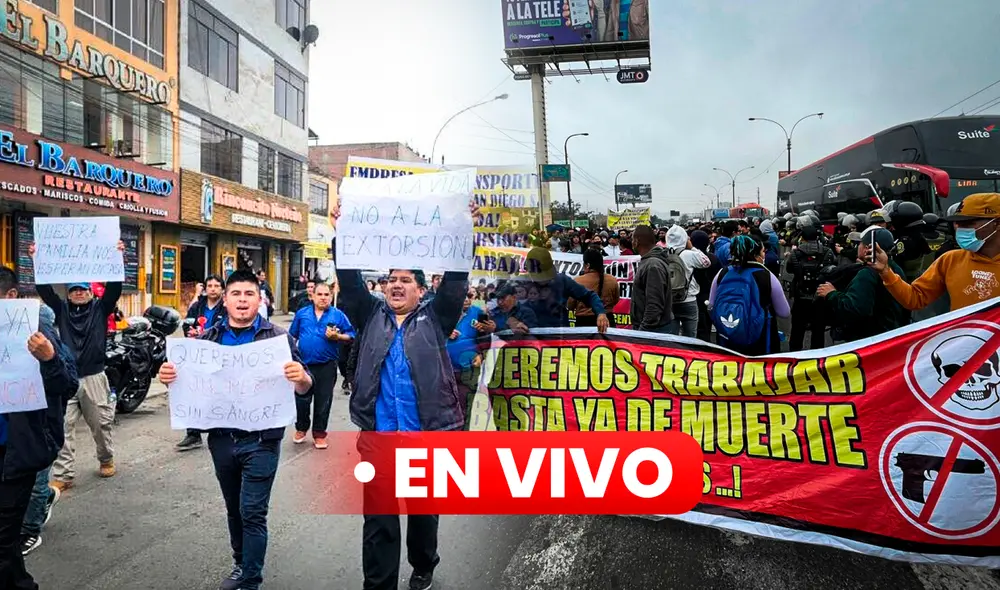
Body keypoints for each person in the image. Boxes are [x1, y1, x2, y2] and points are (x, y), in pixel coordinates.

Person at [333, 197, 478, 590]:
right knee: (378, 518)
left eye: (405, 280)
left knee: (422, 510)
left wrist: (463, 230)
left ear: (421, 289)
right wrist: (342, 233)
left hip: (425, 436)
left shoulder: (436, 317)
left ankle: (423, 564)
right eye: (391, 279)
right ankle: (378, 584)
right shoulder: (369, 314)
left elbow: (455, 283)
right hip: (378, 438)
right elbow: (349, 282)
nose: (396, 285)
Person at [157, 270, 312, 590]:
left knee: (252, 511)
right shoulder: (207, 340)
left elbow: (306, 386)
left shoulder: (278, 339)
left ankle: (251, 580)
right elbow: (188, 384)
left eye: (249, 294)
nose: (242, 300)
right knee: (234, 508)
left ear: (259, 299)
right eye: (236, 294)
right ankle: (241, 564)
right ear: (225, 300)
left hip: (262, 441)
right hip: (222, 440)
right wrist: (169, 377)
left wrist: (300, 378)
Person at [0, 266, 78, 587]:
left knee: (3, 542)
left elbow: (68, 384)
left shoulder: (38, 327)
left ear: (11, 296)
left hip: (15, 454)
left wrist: (49, 358)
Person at [31, 241, 123, 490]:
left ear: (91, 292)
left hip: (94, 377)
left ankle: (106, 458)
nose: (79, 293)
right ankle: (64, 474)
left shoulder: (101, 309)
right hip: (67, 377)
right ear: (68, 294)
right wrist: (37, 260)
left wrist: (117, 258)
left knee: (101, 424)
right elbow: (45, 290)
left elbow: (114, 288)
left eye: (83, 289)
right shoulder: (61, 310)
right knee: (63, 427)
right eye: (74, 290)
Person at [873, 193, 1000, 312]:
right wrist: (886, 272)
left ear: (996, 224)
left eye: (968, 223)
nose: (960, 228)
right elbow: (915, 298)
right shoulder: (950, 260)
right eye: (957, 223)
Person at [288, 282, 355, 449]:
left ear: (331, 297)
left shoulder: (338, 315)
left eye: (327, 295)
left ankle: (319, 433)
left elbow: (351, 335)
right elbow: (292, 336)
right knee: (301, 399)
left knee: (323, 401)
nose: (323, 298)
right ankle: (301, 428)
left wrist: (338, 337)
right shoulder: (302, 314)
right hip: (304, 365)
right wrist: (290, 356)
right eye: (320, 294)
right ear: (312, 296)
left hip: (327, 365)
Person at [816, 227, 910, 341]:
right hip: (893, 335)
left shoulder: (867, 273)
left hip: (869, 340)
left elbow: (855, 309)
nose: (858, 246)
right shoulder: (896, 268)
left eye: (860, 243)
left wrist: (832, 294)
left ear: (867, 248)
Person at [709, 236, 791, 355]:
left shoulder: (722, 273)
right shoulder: (767, 276)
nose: (764, 255)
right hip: (759, 341)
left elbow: (711, 305)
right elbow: (784, 312)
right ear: (756, 254)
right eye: (762, 251)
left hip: (726, 339)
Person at [176, 274, 229, 451]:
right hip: (197, 354)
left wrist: (208, 334)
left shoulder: (226, 308)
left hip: (217, 354)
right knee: (194, 392)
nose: (213, 289)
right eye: (210, 285)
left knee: (217, 393)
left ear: (222, 289)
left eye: (216, 286)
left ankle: (221, 429)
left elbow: (227, 327)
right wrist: (190, 332)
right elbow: (188, 323)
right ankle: (193, 434)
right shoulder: (197, 306)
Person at [520, 248, 609, 332]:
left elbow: (590, 296)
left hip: (560, 336)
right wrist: (514, 322)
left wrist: (601, 313)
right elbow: (511, 310)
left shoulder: (562, 280)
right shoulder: (519, 285)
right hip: (530, 337)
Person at [786, 225, 836, 351]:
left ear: (802, 237)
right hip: (820, 295)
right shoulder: (827, 252)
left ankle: (795, 357)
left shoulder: (795, 253)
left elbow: (789, 269)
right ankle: (817, 359)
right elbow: (833, 268)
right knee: (818, 332)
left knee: (797, 331)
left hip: (800, 295)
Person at [665, 225, 711, 338]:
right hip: (689, 299)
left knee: (672, 337)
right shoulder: (688, 254)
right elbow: (707, 262)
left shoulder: (663, 255)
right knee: (690, 336)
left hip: (669, 300)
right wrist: (692, 247)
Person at [448, 289, 488, 419]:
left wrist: (481, 355)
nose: (466, 299)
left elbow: (487, 338)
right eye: (462, 295)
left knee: (464, 406)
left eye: (469, 296)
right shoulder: (443, 312)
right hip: (444, 369)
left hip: (468, 369)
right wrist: (445, 332)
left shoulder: (479, 312)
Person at [631, 225, 673, 333]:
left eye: (632, 239)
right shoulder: (649, 262)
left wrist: (643, 331)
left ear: (636, 241)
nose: (631, 242)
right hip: (653, 329)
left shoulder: (652, 265)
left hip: (654, 330)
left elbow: (654, 305)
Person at [572, 248, 620, 328]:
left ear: (587, 265)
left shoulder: (577, 281)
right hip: (607, 321)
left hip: (584, 323)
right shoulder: (612, 280)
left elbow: (570, 305)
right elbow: (616, 300)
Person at [690, 230, 722, 342]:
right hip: (711, 296)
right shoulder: (714, 258)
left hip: (695, 297)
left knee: (699, 329)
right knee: (710, 326)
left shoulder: (690, 259)